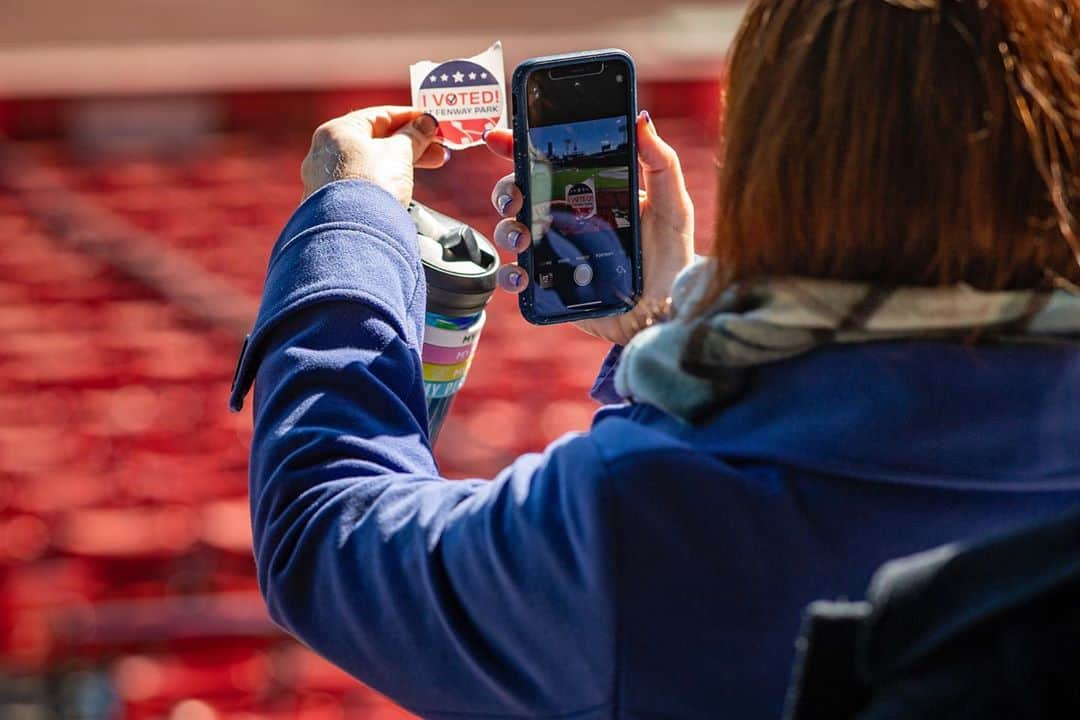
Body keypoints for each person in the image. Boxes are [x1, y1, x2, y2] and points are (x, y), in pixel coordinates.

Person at [228, 1, 1080, 717]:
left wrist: (352, 220)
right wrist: (669, 320)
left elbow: (327, 531)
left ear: (773, 168)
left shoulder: (644, 515)